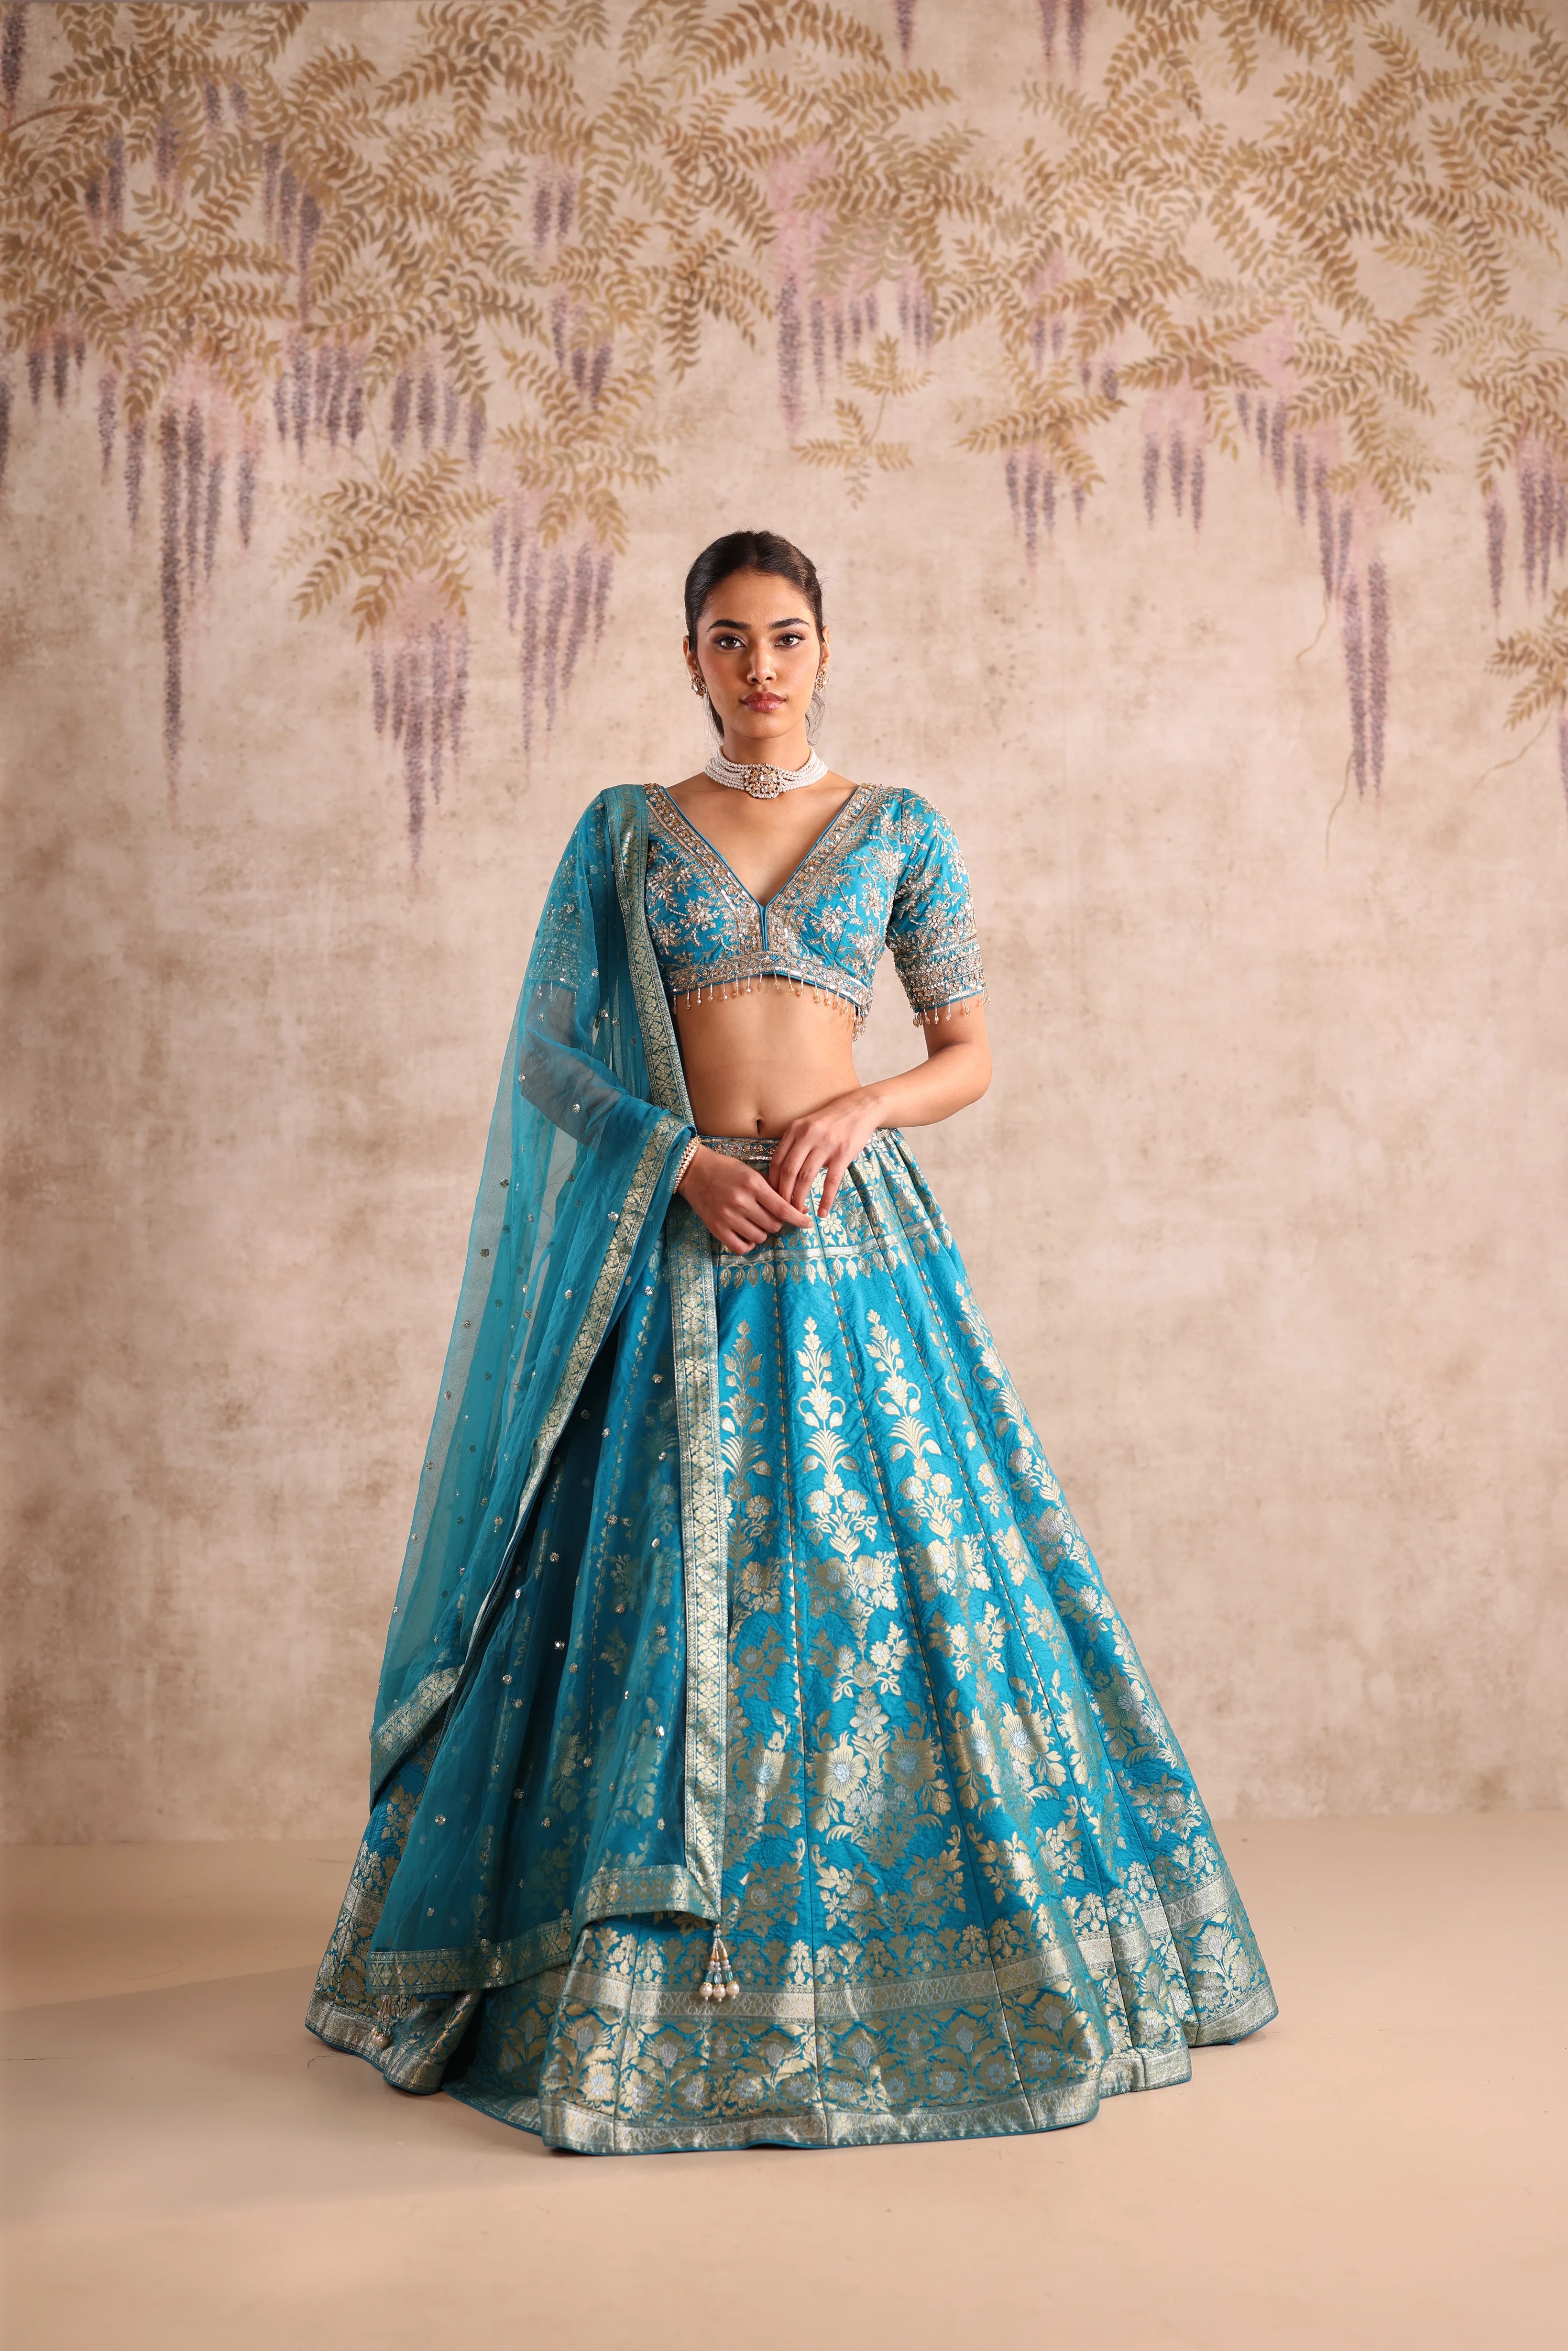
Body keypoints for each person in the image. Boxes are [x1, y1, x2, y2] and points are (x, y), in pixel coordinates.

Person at [307, 528, 1276, 2153]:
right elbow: (549, 1059)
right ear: (691, 656)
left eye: (790, 635)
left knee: (897, 1584)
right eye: (731, 637)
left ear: (828, 650)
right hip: (679, 1243)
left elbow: (967, 1048)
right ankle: (637, 1975)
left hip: (848, 1243)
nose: (762, 665)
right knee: (660, 1599)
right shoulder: (623, 835)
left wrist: (862, 1106)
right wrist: (674, 1157)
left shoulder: (901, 831)